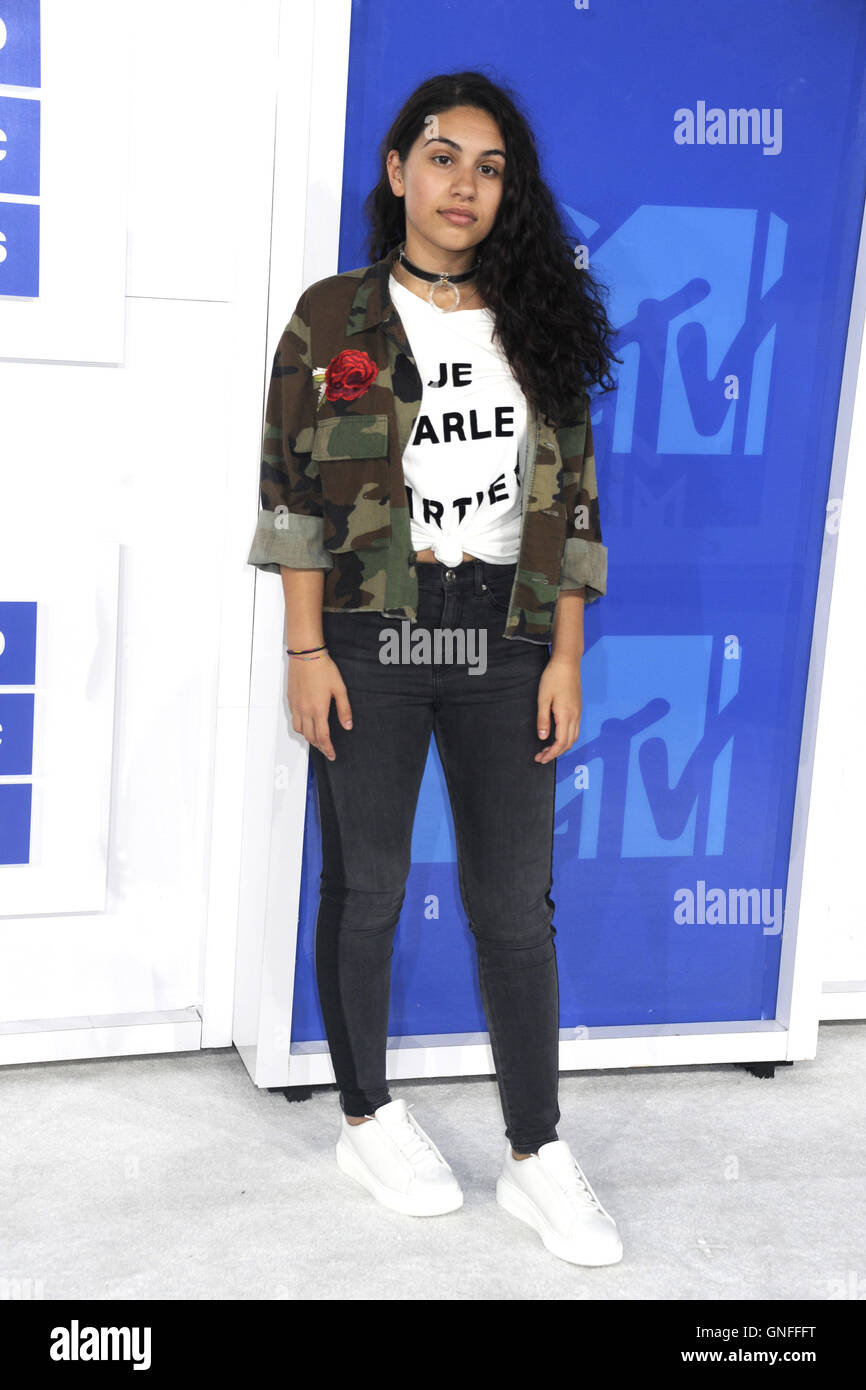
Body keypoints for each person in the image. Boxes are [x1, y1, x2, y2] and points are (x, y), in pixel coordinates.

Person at [247, 70, 623, 1268]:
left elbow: (571, 501)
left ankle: (536, 1150)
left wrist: (563, 651)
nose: (464, 184)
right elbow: (295, 502)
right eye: (444, 156)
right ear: (399, 171)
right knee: (365, 885)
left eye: (490, 166)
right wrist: (305, 649)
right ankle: (365, 1116)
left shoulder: (542, 322)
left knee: (515, 905)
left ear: (509, 194)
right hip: (372, 629)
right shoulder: (332, 318)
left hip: (502, 633)